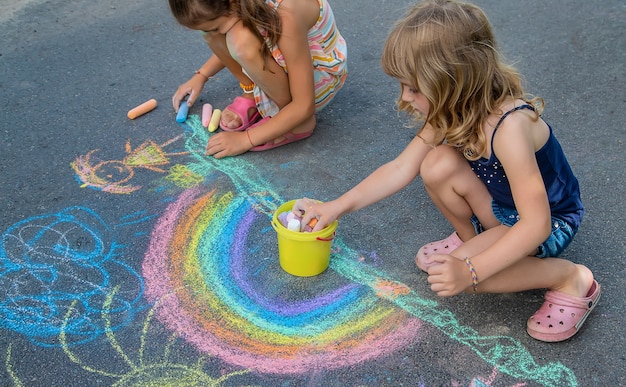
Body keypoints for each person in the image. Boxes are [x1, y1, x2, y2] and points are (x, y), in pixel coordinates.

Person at [293, 0, 599, 342]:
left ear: (454, 80)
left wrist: (471, 270)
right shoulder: (450, 109)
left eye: (414, 88)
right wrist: (335, 206)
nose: (406, 97)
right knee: (436, 164)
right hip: (505, 210)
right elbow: (399, 168)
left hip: (548, 221)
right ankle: (478, 241)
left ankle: (568, 278)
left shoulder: (510, 127)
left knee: (467, 279)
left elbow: (537, 223)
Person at [169, 0, 347, 158]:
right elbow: (225, 33)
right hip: (284, 52)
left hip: (319, 78)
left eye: (216, 26)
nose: (215, 32)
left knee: (240, 41)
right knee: (213, 34)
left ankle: (298, 123)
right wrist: (201, 75)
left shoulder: (286, 14)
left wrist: (246, 140)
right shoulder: (241, 6)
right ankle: (252, 93)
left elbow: (304, 105)